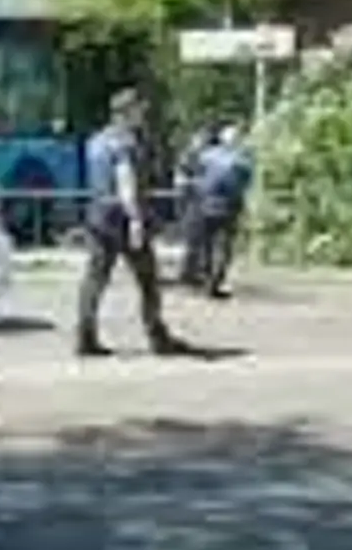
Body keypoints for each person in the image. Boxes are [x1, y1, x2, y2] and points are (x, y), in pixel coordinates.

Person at [75, 88, 201, 358]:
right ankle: (157, 336)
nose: (142, 116)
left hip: (98, 212)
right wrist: (135, 219)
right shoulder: (125, 142)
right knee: (148, 280)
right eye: (138, 111)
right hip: (122, 215)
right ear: (126, 112)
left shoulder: (95, 141)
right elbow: (125, 181)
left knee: (94, 280)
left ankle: (85, 337)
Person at [196, 122, 256, 299]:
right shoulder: (243, 161)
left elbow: (197, 175)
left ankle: (207, 278)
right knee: (224, 246)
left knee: (206, 245)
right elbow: (247, 185)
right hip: (229, 206)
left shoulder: (206, 156)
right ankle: (215, 281)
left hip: (206, 203)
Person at [173, 127, 214, 288]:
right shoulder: (188, 157)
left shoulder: (208, 158)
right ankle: (187, 273)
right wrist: (198, 184)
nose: (204, 143)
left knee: (204, 240)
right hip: (190, 201)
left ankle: (202, 271)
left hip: (203, 202)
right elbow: (180, 180)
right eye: (201, 139)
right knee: (192, 239)